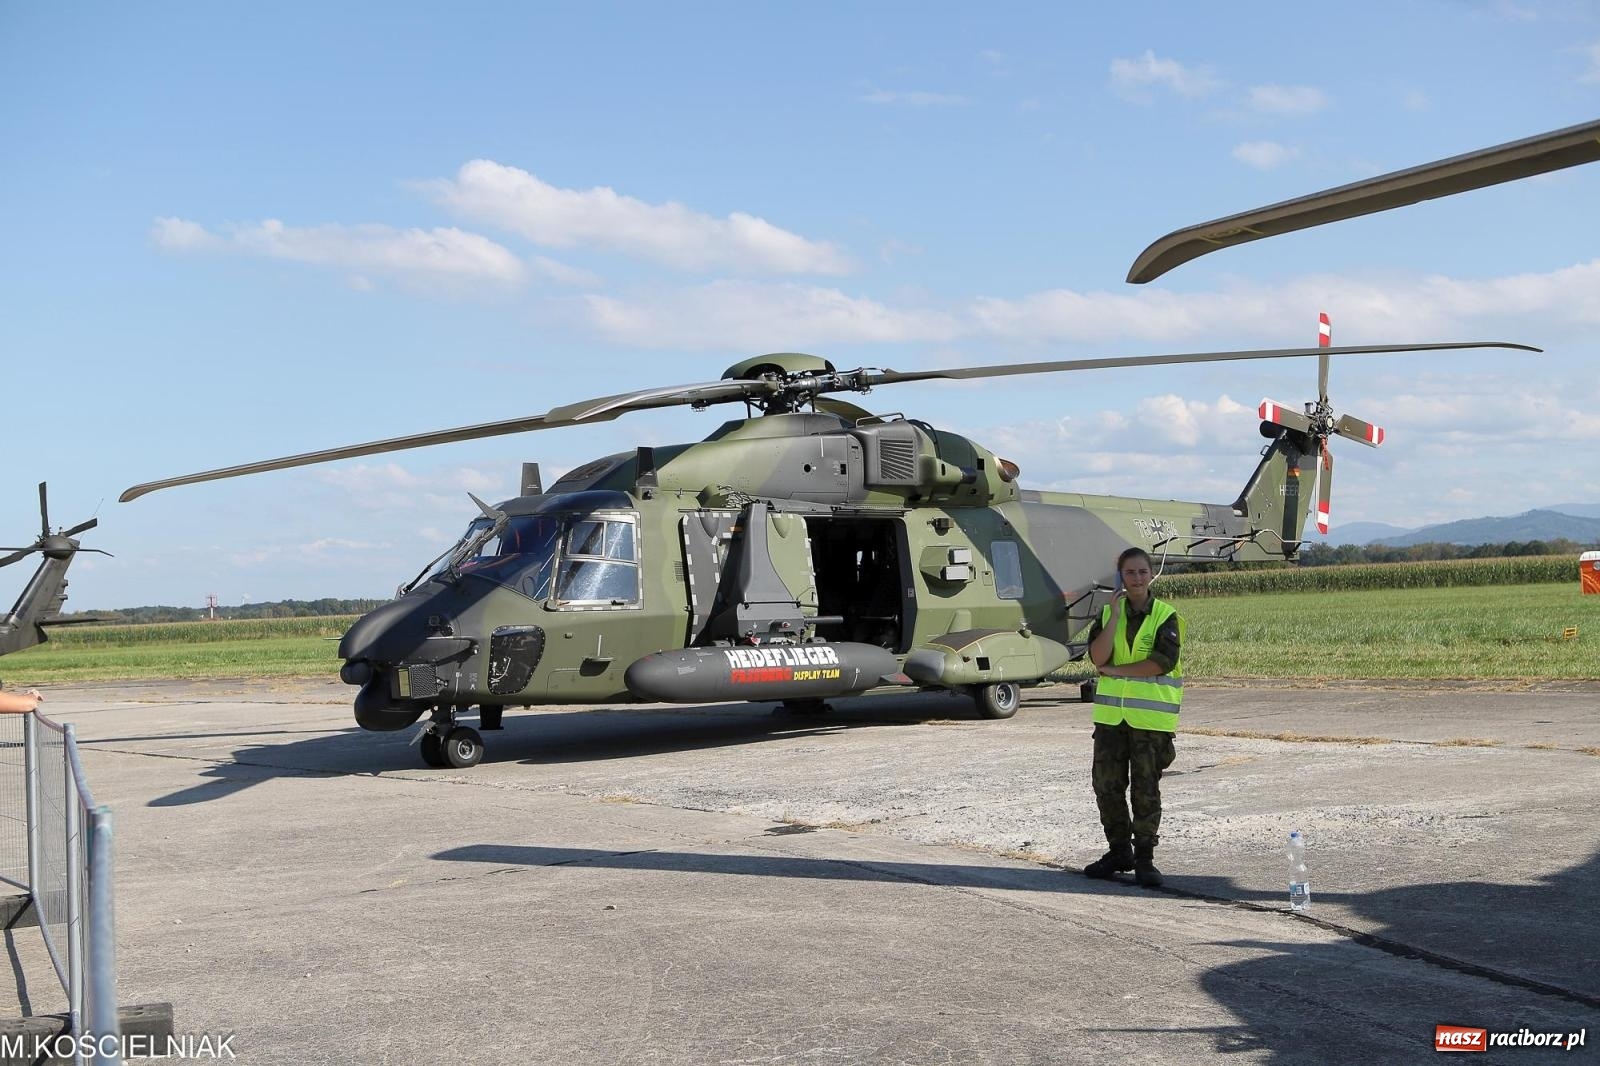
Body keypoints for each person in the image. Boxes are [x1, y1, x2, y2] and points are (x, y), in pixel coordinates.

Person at [1082, 547, 1183, 888]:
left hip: (1150, 724)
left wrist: (1116, 670)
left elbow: (1160, 663)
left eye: (1142, 572)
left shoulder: (1165, 616)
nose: (1137, 578)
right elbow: (1097, 655)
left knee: (1145, 790)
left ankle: (1144, 858)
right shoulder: (1112, 614)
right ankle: (1118, 851)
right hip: (1112, 721)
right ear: (1121, 578)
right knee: (1106, 787)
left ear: (1151, 574)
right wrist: (1112, 616)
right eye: (1130, 573)